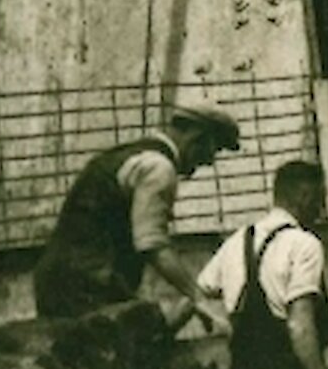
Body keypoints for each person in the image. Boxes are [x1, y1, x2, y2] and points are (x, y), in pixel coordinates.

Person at [33, 102, 241, 329]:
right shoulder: (159, 168)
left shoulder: (129, 155)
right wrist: (198, 297)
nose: (210, 161)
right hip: (89, 286)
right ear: (197, 137)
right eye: (215, 148)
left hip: (59, 279)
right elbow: (152, 244)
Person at [199, 161, 328, 369]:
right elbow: (299, 326)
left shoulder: (236, 240)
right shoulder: (304, 244)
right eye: (320, 201)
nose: (321, 211)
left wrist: (214, 321)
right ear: (304, 196)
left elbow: (197, 292)